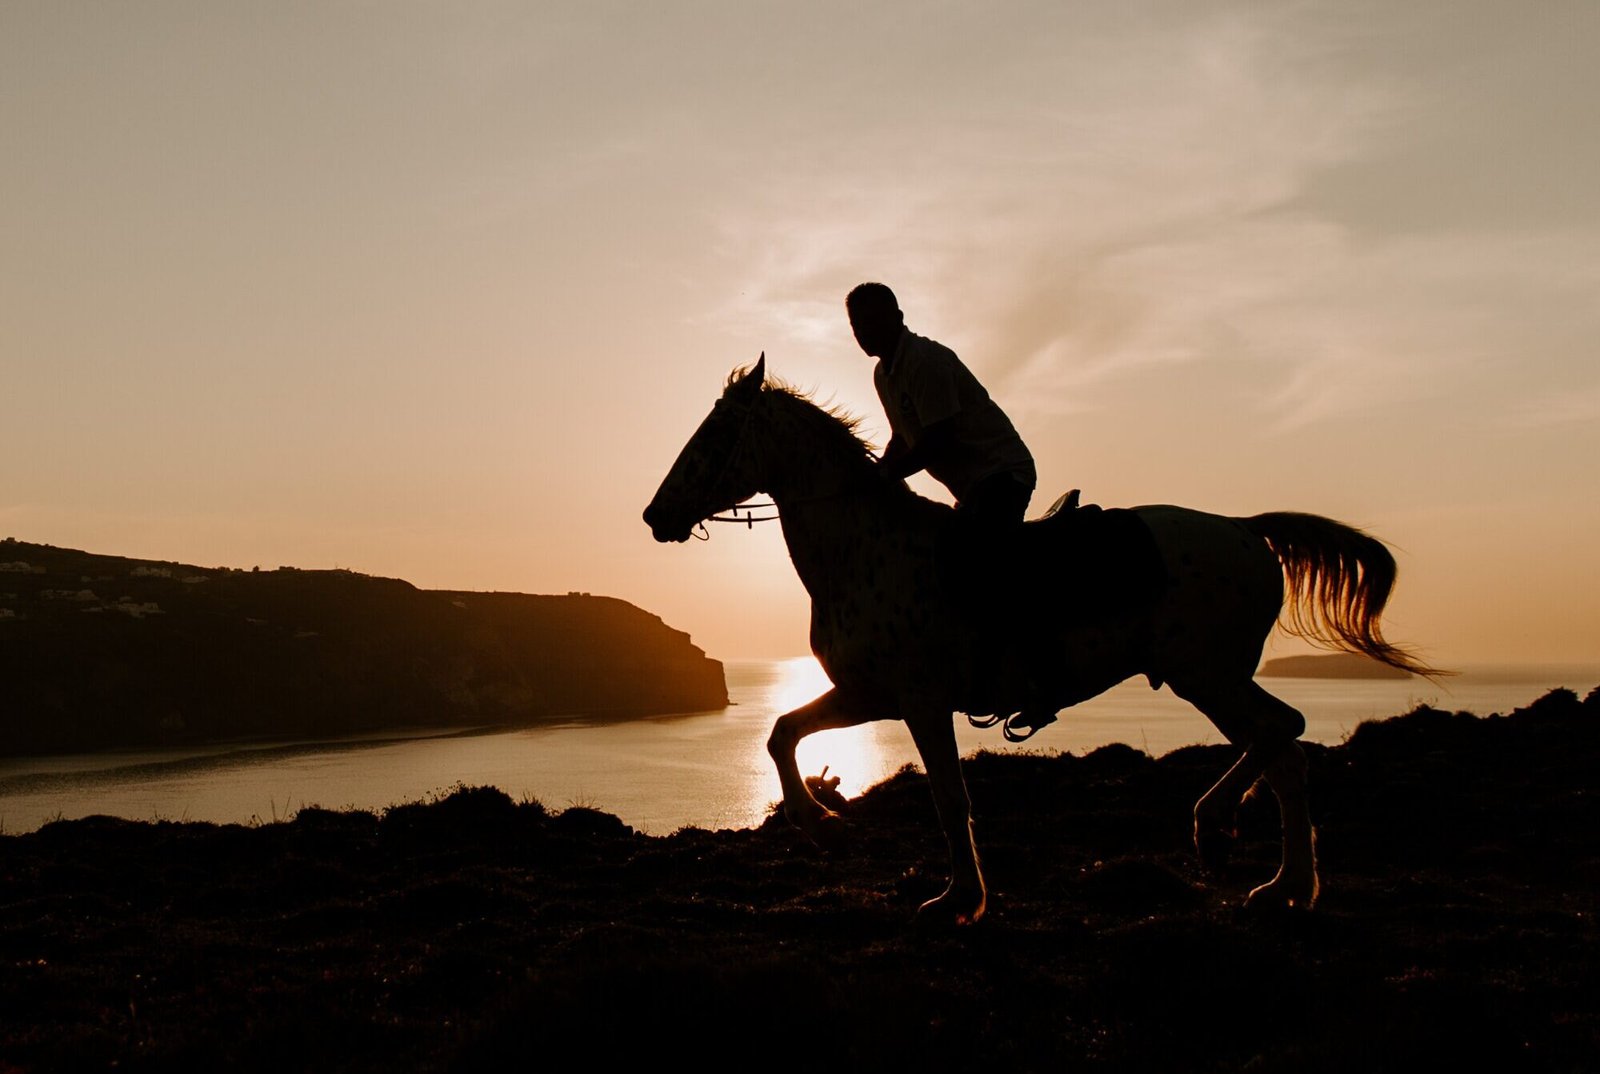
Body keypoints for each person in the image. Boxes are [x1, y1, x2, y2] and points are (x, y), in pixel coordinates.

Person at [846, 282, 1036, 524]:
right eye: (857, 325)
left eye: (871, 320)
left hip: (1001, 473)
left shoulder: (924, 362)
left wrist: (887, 475)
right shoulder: (882, 375)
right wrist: (878, 470)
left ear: (897, 317)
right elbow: (902, 437)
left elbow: (939, 439)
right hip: (973, 485)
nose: (864, 331)